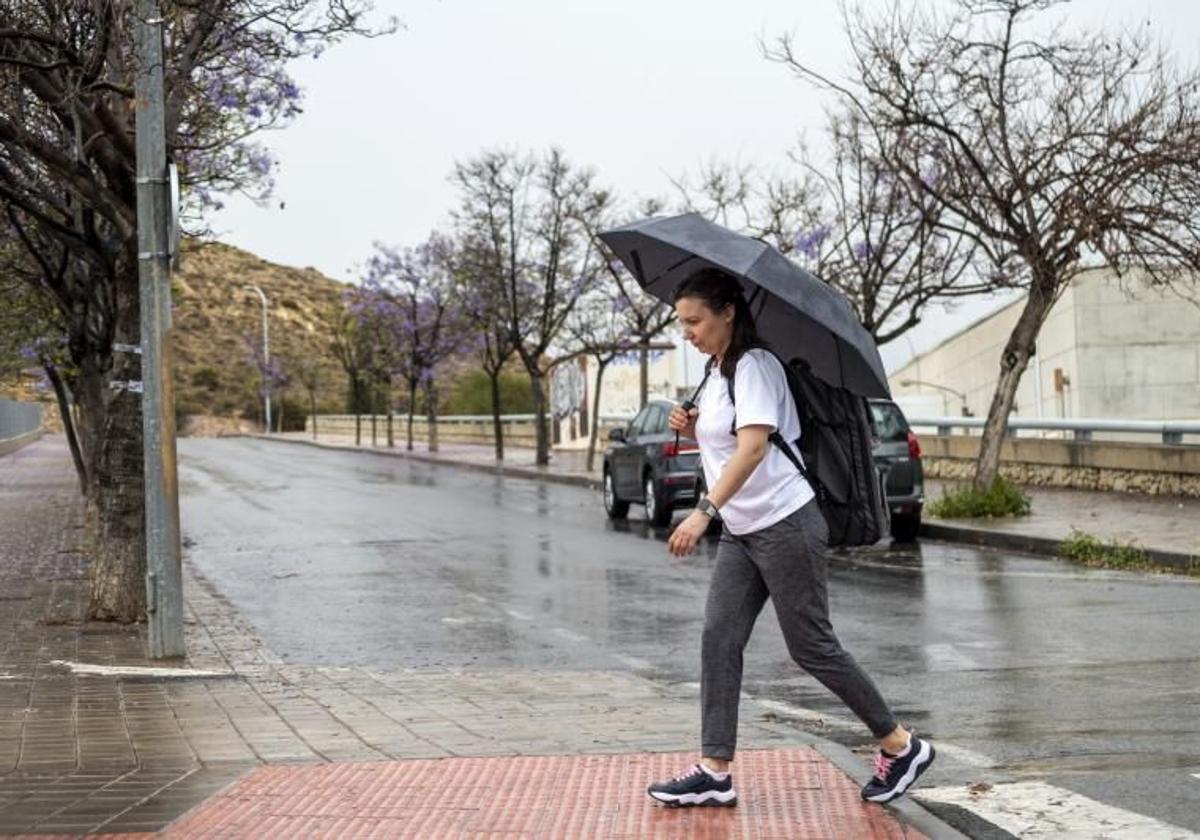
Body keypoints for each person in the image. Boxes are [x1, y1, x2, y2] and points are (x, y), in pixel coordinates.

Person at [646, 267, 934, 808]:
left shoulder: (755, 366)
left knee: (811, 647)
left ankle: (900, 745)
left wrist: (704, 511)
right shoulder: (717, 369)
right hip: (745, 530)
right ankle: (714, 770)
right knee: (719, 637)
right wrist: (692, 427)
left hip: (785, 523)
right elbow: (727, 439)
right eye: (682, 322)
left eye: (695, 321)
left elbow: (753, 448)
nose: (687, 332)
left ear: (727, 312)